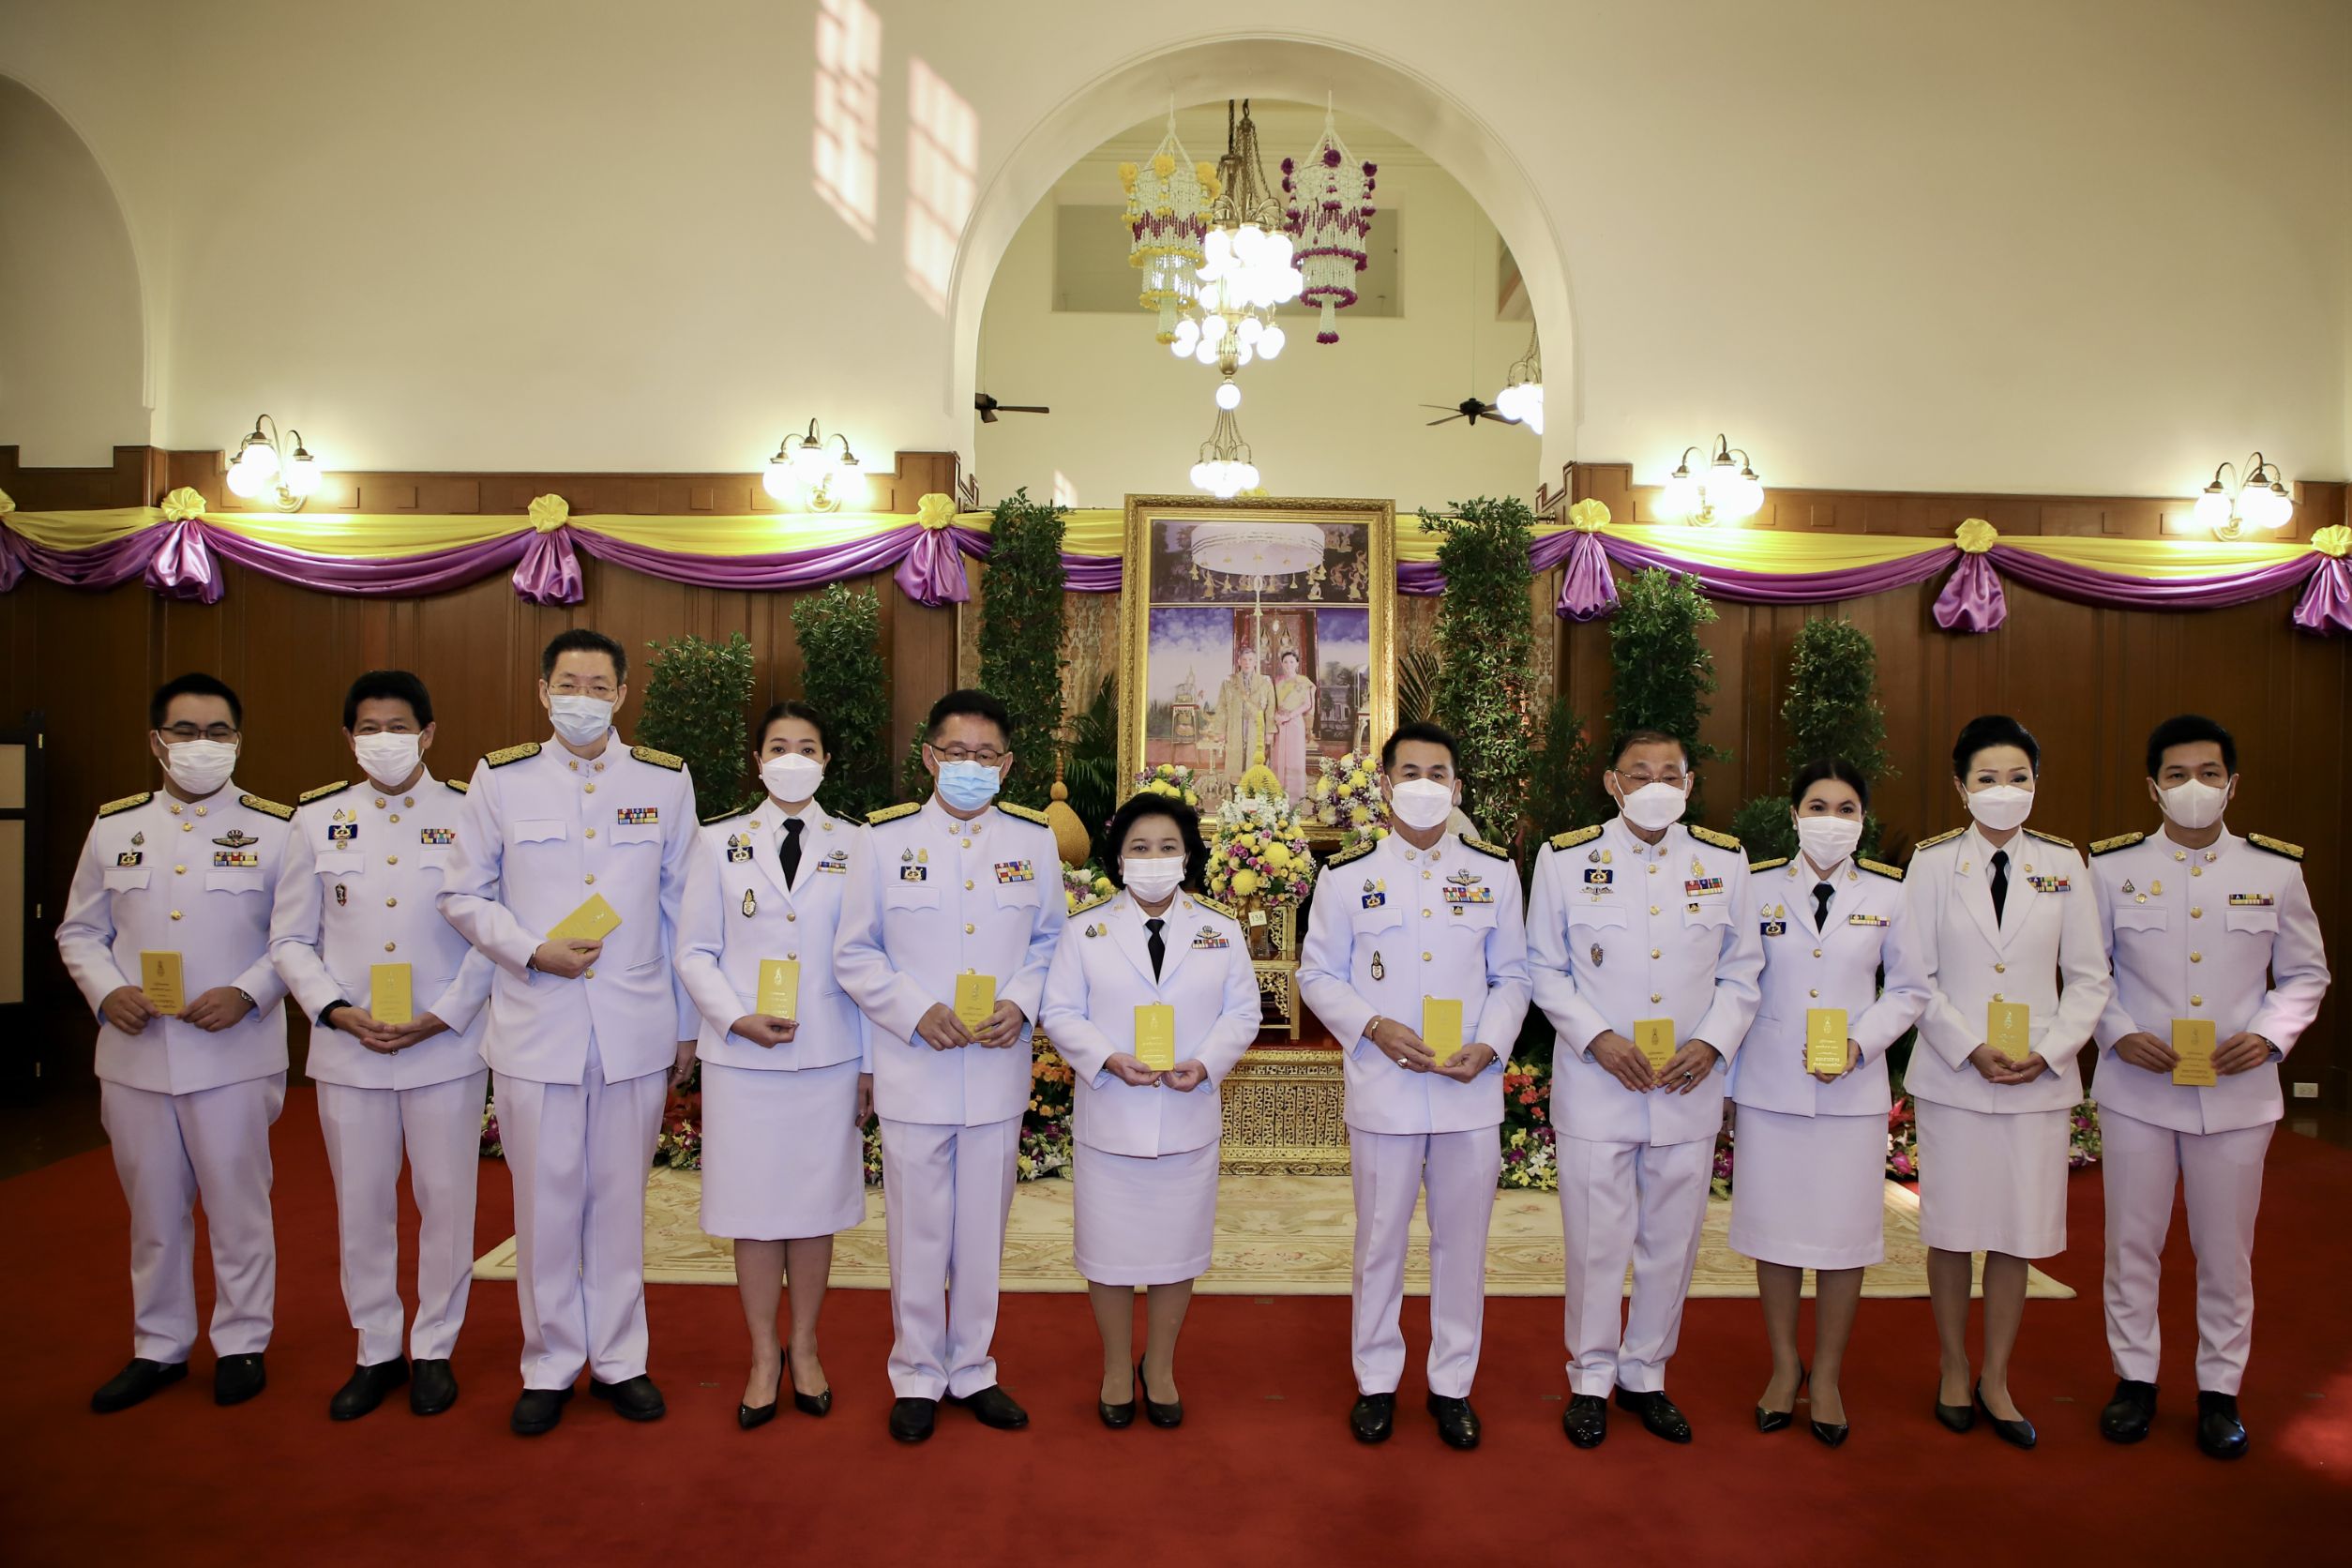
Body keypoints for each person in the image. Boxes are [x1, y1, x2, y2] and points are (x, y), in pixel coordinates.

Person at [438, 628, 699, 1437]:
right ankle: (549, 1361)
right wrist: (529, 949)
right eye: (568, 684)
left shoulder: (664, 779)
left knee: (620, 1201)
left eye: (598, 686)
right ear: (543, 692)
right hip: (536, 1021)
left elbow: (686, 908)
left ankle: (620, 1358)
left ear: (621, 694)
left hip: (634, 1024)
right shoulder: (501, 777)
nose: (582, 699)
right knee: (545, 1203)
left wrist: (687, 1026)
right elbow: (462, 894)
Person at [2088, 715, 2329, 1460]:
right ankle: (2135, 1379)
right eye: (2177, 774)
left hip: (2237, 1092)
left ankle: (2220, 1391)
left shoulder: (2274, 871)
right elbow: (2085, 972)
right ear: (2152, 787)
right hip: (2139, 1088)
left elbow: (2306, 974)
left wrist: (2271, 1035)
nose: (2194, 786)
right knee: (2133, 1243)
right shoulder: (2111, 869)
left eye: (2209, 772)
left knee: (2226, 1251)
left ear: (2232, 783)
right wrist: (2117, 1032)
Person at [835, 688, 1065, 1443]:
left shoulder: (1032, 840)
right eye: (957, 753)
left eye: (985, 755)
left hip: (994, 1067)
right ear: (931, 757)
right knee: (918, 1232)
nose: (971, 765)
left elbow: (1051, 941)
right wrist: (912, 1010)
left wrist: (1023, 1001)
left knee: (981, 1233)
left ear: (1008, 765)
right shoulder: (882, 839)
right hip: (916, 1064)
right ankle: (916, 1373)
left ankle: (972, 1367)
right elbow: (855, 950)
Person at [60, 673, 294, 1413]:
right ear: (156, 741)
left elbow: (296, 940)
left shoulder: (276, 830)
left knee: (238, 1206)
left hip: (233, 1052)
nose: (202, 745)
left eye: (218, 732)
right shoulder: (114, 828)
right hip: (136, 1054)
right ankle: (158, 1346)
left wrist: (247, 992)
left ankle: (242, 1341)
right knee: (153, 1213)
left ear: (239, 741)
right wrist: (107, 992)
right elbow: (80, 932)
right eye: (186, 731)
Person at [1296, 722, 1530, 1450]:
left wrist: (1491, 1043)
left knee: (1462, 1245)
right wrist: (1371, 1026)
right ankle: (1376, 1381)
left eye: (1438, 773)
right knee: (1380, 1243)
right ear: (1385, 785)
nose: (1424, 785)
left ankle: (1452, 1385)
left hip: (1468, 1088)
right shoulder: (1346, 876)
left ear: (1457, 789)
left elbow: (1513, 976)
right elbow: (1317, 974)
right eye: (1410, 772)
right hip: (1385, 1087)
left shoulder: (1494, 872)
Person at [1527, 727, 1762, 1448]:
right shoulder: (1566, 859)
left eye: (1669, 773)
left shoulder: (1724, 860)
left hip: (1686, 1086)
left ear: (1689, 784)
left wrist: (1713, 1043)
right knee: (1596, 1243)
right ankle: (1590, 1379)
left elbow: (1743, 970)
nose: (1654, 784)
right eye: (1639, 772)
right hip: (1599, 1084)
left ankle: (1646, 1373)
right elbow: (1544, 968)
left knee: (1672, 1241)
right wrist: (1596, 1037)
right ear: (1612, 782)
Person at [269, 671, 494, 1421]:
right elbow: (291, 938)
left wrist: (444, 1014)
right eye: (369, 728)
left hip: (444, 1045)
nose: (383, 740)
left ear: (428, 734)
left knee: (446, 1202)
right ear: (348, 737)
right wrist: (334, 1011)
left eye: (398, 727)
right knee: (361, 1206)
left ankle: (434, 1348)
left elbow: (491, 930)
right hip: (351, 1048)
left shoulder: (468, 811)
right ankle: (375, 1349)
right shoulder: (315, 819)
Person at [1904, 714, 2110, 1451]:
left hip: (2035, 1081)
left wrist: (2050, 1052)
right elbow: (1914, 976)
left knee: (2016, 1234)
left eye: (2017, 777)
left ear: (2035, 783)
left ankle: (1996, 1375)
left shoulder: (2063, 862)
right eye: (1987, 778)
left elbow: (2089, 977)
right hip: (1956, 1075)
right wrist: (1968, 1046)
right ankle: (1954, 1366)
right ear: (1961, 789)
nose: (2004, 790)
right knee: (1953, 1230)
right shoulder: (1932, 864)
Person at [675, 701, 874, 1430]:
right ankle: (764, 1354)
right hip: (744, 1059)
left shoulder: (859, 843)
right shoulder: (715, 841)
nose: (793, 758)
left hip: (830, 1054)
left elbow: (870, 956)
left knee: (816, 1209)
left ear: (827, 761)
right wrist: (732, 1018)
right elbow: (694, 950)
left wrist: (870, 1065)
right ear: (757, 760)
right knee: (754, 1211)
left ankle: (806, 1346)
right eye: (779, 746)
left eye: (808, 747)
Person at [1728, 760, 1930, 1447]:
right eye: (1818, 806)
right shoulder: (1754, 886)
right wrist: (1725, 1083)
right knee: (1775, 1233)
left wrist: (1860, 1043)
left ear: (1863, 821)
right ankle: (1786, 1366)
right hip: (1770, 1086)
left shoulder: (1890, 893)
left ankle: (1830, 1376)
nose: (1832, 820)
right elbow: (1734, 982)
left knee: (1845, 1240)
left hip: (1851, 1090)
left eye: (1847, 809)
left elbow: (1909, 988)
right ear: (1794, 815)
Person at [1041, 794, 1258, 1429]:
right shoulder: (1085, 931)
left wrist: (1207, 1063)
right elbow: (1060, 1011)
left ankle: (1159, 1366)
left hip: (1187, 1116)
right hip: (1112, 1114)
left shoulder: (1220, 929)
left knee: (1177, 1251)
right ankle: (1116, 1366)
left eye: (1167, 847)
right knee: (1107, 1253)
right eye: (1140, 847)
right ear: (1119, 858)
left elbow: (1242, 1012)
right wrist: (1106, 1058)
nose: (1154, 858)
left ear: (1187, 857)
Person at [1213, 645, 1274, 796]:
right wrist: (1220, 730)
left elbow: (1271, 708)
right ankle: (1236, 800)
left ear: (1255, 662)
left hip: (1256, 728)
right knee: (1235, 763)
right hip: (1235, 728)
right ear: (1239, 661)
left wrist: (1270, 731)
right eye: (1244, 659)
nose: (1247, 663)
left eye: (1250, 659)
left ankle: (1252, 800)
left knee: (1254, 761)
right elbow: (1222, 707)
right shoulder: (1228, 682)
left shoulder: (1265, 681)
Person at [1270, 647, 1316, 801]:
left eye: (1291, 662)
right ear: (1282, 664)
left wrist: (1289, 716)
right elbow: (1273, 702)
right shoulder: (1278, 681)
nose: (1288, 664)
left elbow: (1307, 704)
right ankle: (1278, 792)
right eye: (1285, 662)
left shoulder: (1303, 681)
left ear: (1297, 663)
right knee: (1278, 756)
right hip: (1279, 723)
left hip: (1295, 723)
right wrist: (1276, 716)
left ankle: (1295, 794)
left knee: (1294, 757)